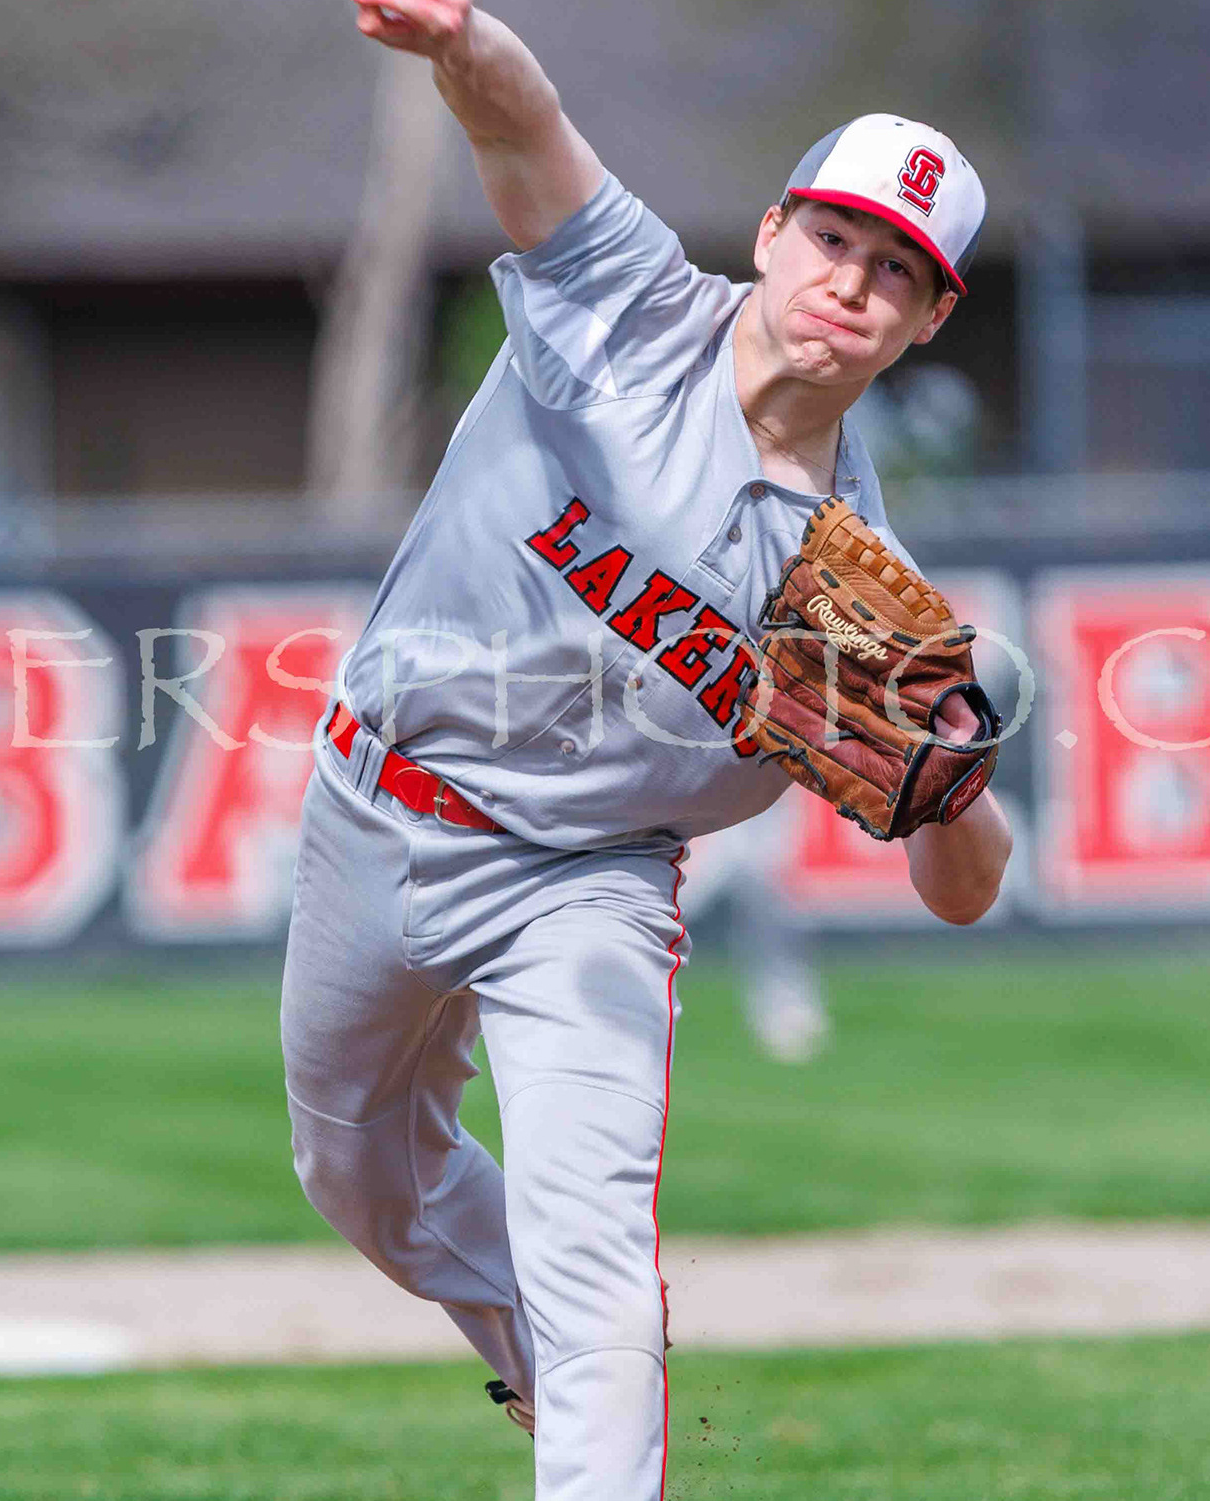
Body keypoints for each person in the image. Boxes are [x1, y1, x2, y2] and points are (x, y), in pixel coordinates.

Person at [281, 3, 1014, 1494]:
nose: (851, 283)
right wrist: (460, 36)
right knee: (356, 1173)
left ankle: (592, 1405)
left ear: (930, 317)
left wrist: (951, 781)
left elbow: (961, 890)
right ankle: (554, 1367)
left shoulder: (849, 589)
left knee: (594, 1255)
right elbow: (522, 122)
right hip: (376, 800)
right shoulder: (623, 303)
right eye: (836, 239)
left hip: (585, 886)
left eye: (897, 270)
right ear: (773, 232)